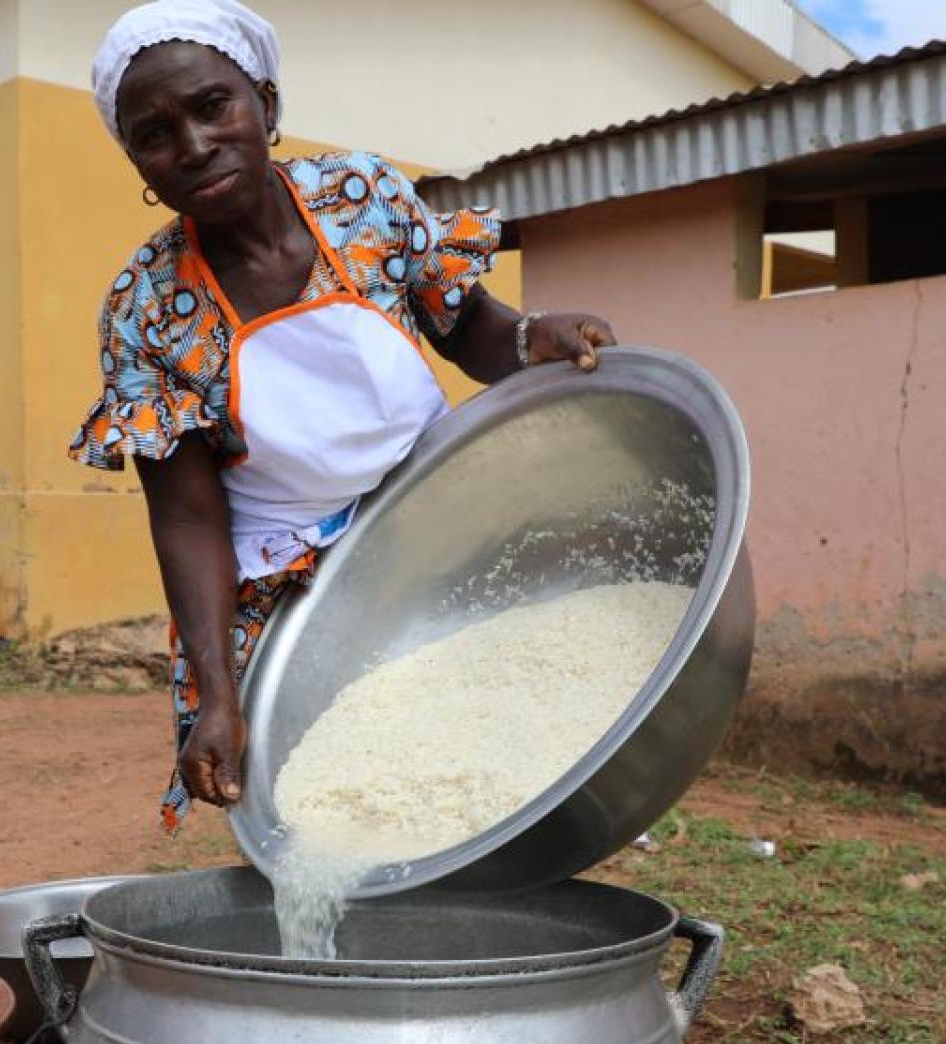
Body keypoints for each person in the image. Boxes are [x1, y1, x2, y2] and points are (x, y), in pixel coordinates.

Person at [70, 0, 616, 833]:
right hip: (288, 595)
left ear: (267, 103)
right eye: (154, 133)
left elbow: (465, 325)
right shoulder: (145, 306)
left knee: (479, 776)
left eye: (214, 106)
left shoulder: (361, 197)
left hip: (436, 529)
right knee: (334, 815)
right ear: (138, 160)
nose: (193, 146)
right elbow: (187, 515)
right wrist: (219, 691)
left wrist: (530, 337)